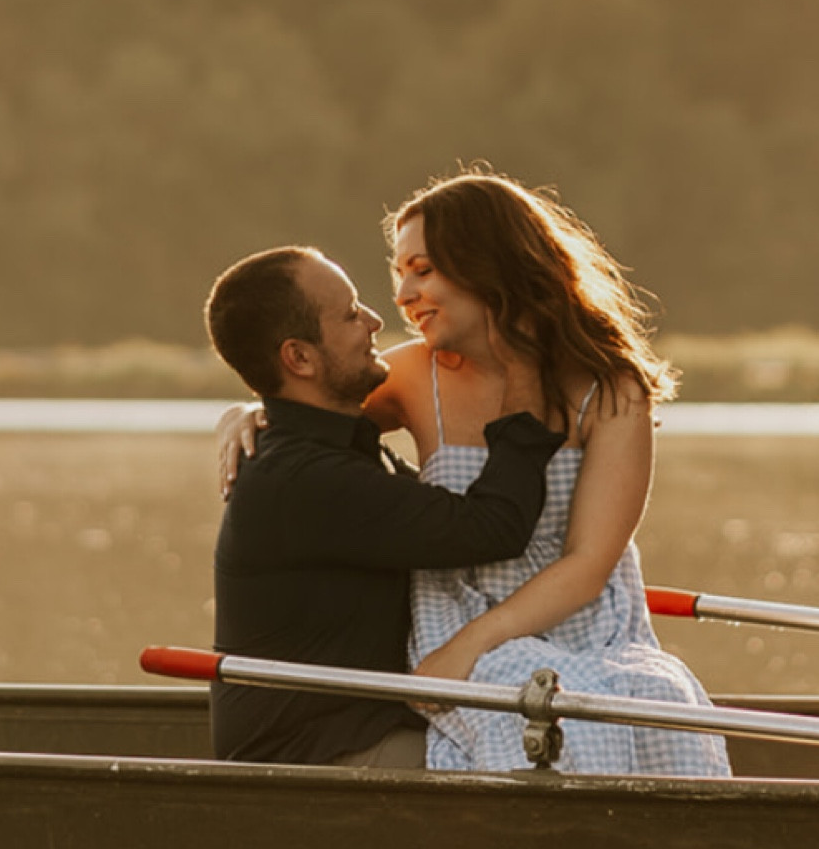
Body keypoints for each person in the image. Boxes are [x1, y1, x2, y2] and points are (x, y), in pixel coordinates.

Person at [219, 172, 730, 777]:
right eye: (399, 272)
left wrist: (475, 643)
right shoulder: (413, 377)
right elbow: (307, 404)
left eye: (422, 270)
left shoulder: (613, 390)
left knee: (656, 707)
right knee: (533, 710)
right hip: (456, 625)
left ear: (489, 267)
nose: (401, 296)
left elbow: (589, 564)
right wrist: (245, 412)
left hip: (585, 627)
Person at [203, 242, 565, 768]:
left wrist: (248, 407)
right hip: (317, 757)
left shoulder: (331, 447)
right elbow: (494, 528)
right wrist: (526, 374)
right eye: (350, 314)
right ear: (299, 358)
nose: (374, 321)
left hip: (369, 727)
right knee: (540, 766)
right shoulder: (305, 479)